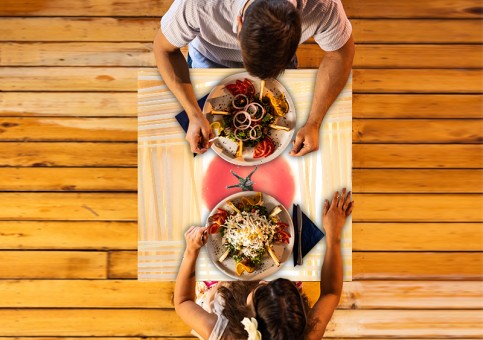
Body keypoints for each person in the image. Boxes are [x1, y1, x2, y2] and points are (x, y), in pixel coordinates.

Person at [154, 0, 355, 156]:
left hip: (282, 70)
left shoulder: (323, 6)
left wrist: (314, 122)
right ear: (239, 22)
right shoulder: (197, 5)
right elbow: (163, 49)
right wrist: (193, 113)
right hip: (209, 60)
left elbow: (340, 54)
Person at [174, 189, 354, 339]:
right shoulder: (305, 335)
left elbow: (183, 302)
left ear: (249, 319)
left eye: (262, 289)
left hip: (222, 293)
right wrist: (333, 236)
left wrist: (191, 251)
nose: (264, 281)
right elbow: (331, 293)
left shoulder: (224, 334)